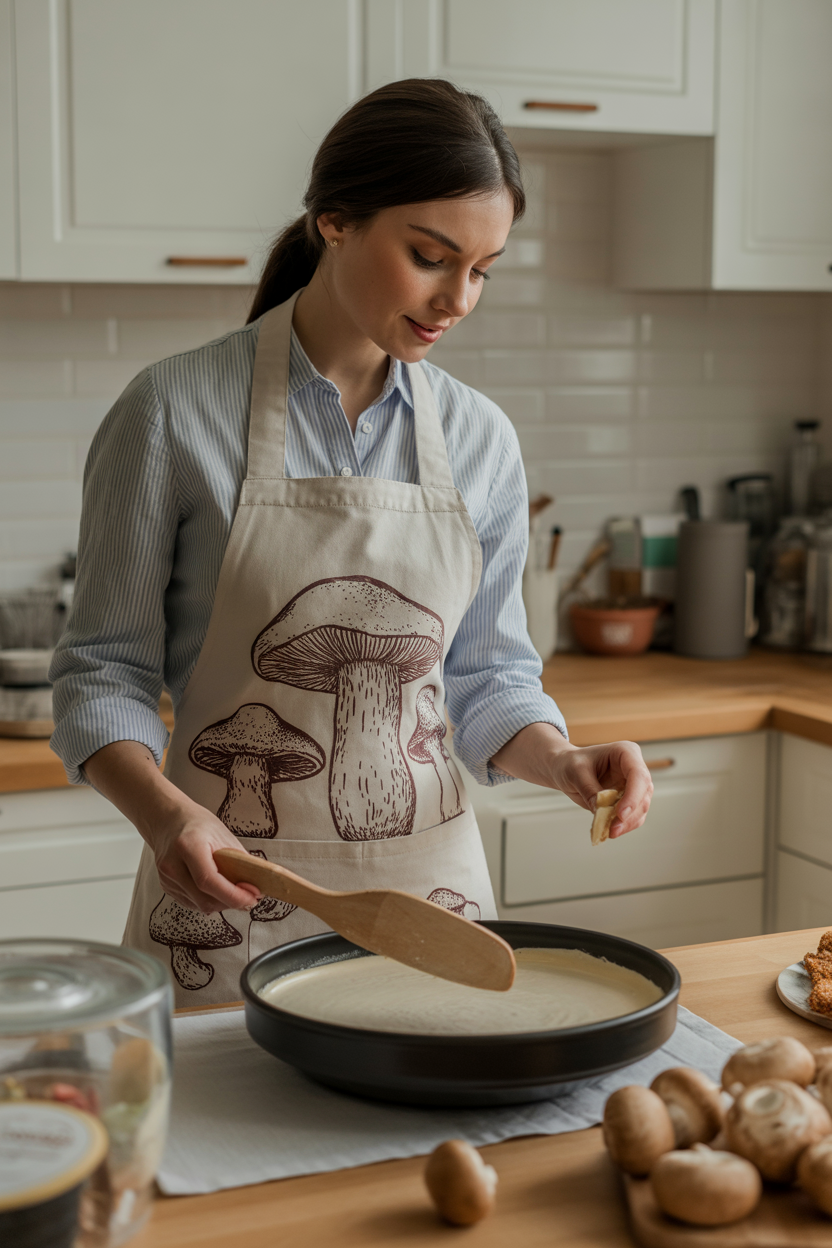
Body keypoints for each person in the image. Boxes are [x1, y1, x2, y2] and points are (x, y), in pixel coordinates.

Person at [50, 79, 652, 1005]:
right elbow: (101, 672)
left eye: (484, 268)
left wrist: (560, 759)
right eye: (430, 256)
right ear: (335, 221)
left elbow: (488, 677)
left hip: (431, 908)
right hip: (224, 894)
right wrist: (167, 817)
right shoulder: (170, 412)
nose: (457, 298)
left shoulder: (480, 437)